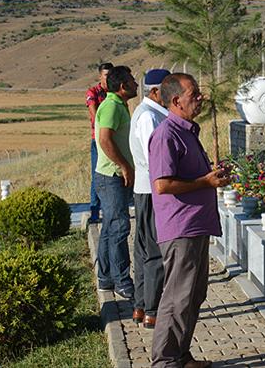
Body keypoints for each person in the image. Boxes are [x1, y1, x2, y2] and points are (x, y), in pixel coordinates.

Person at [149, 73, 230, 368]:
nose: (200, 98)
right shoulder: (166, 135)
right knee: (177, 298)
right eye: (194, 94)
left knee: (194, 295)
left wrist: (210, 179)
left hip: (196, 225)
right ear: (175, 101)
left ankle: (181, 356)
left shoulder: (187, 132)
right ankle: (165, 361)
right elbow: (163, 185)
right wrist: (204, 182)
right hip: (180, 228)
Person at [129, 69, 170, 329]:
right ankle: (152, 309)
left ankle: (141, 305)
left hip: (147, 189)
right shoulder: (148, 117)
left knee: (145, 250)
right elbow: (154, 157)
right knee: (153, 251)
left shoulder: (151, 113)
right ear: (155, 92)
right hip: (149, 190)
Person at [95, 65, 137, 300]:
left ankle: (106, 277)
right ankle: (122, 281)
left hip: (113, 175)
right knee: (120, 227)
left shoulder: (118, 105)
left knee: (111, 228)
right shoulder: (111, 106)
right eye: (132, 80)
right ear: (123, 86)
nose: (136, 84)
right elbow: (104, 140)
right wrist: (123, 166)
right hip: (111, 177)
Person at [86, 62, 113, 223]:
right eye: (106, 75)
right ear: (100, 76)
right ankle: (95, 210)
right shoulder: (93, 92)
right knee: (97, 174)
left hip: (114, 138)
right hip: (98, 139)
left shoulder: (114, 91)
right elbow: (95, 115)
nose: (108, 78)